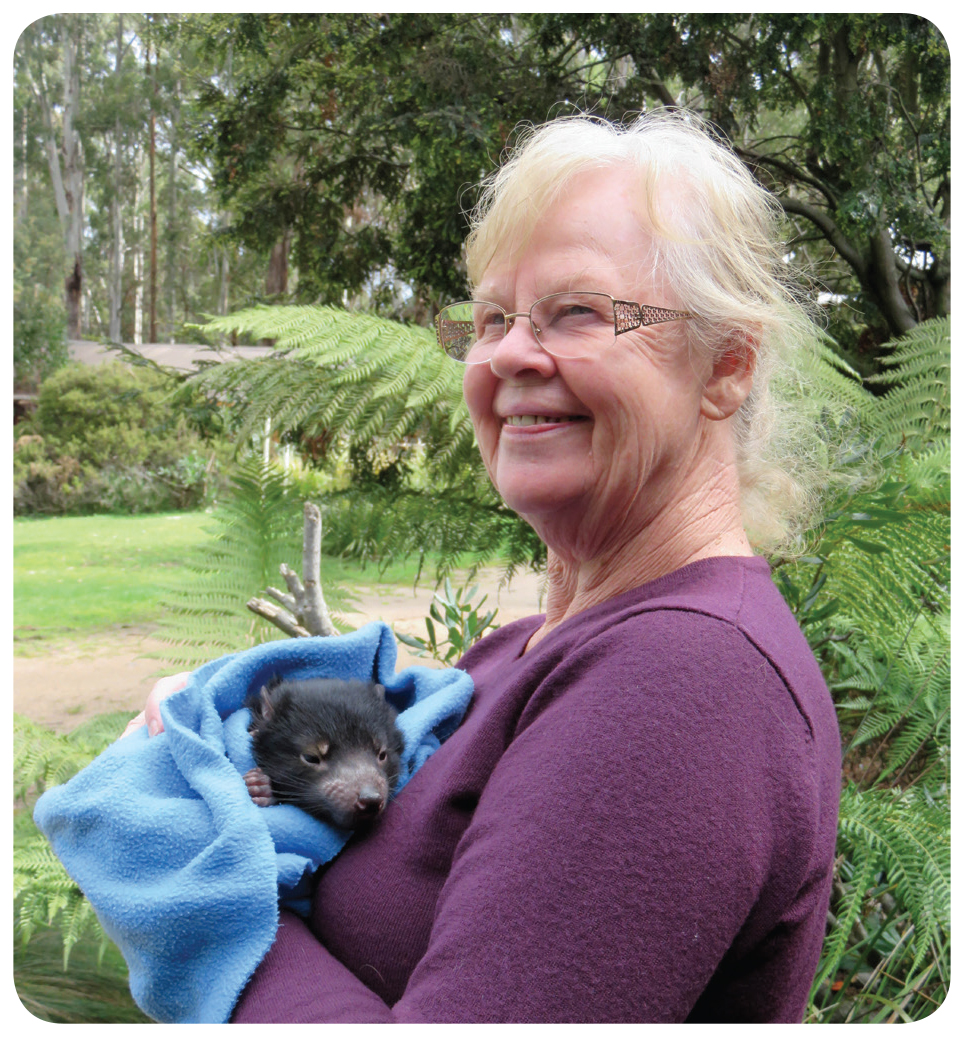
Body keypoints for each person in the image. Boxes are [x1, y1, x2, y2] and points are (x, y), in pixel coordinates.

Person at [128, 110, 841, 1023]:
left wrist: (187, 880)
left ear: (725, 368)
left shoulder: (686, 682)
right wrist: (211, 735)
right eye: (491, 317)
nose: (506, 351)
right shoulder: (524, 649)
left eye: (576, 312)